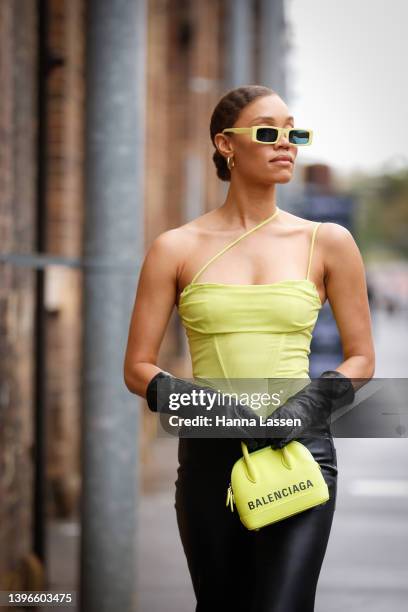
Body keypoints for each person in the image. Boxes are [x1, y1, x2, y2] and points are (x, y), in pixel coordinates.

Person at [123, 85, 375, 611]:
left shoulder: (327, 241)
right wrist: (199, 403)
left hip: (299, 453)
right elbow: (137, 368)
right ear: (226, 144)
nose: (286, 143)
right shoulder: (176, 247)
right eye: (268, 131)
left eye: (294, 132)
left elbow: (362, 359)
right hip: (210, 458)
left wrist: (307, 406)